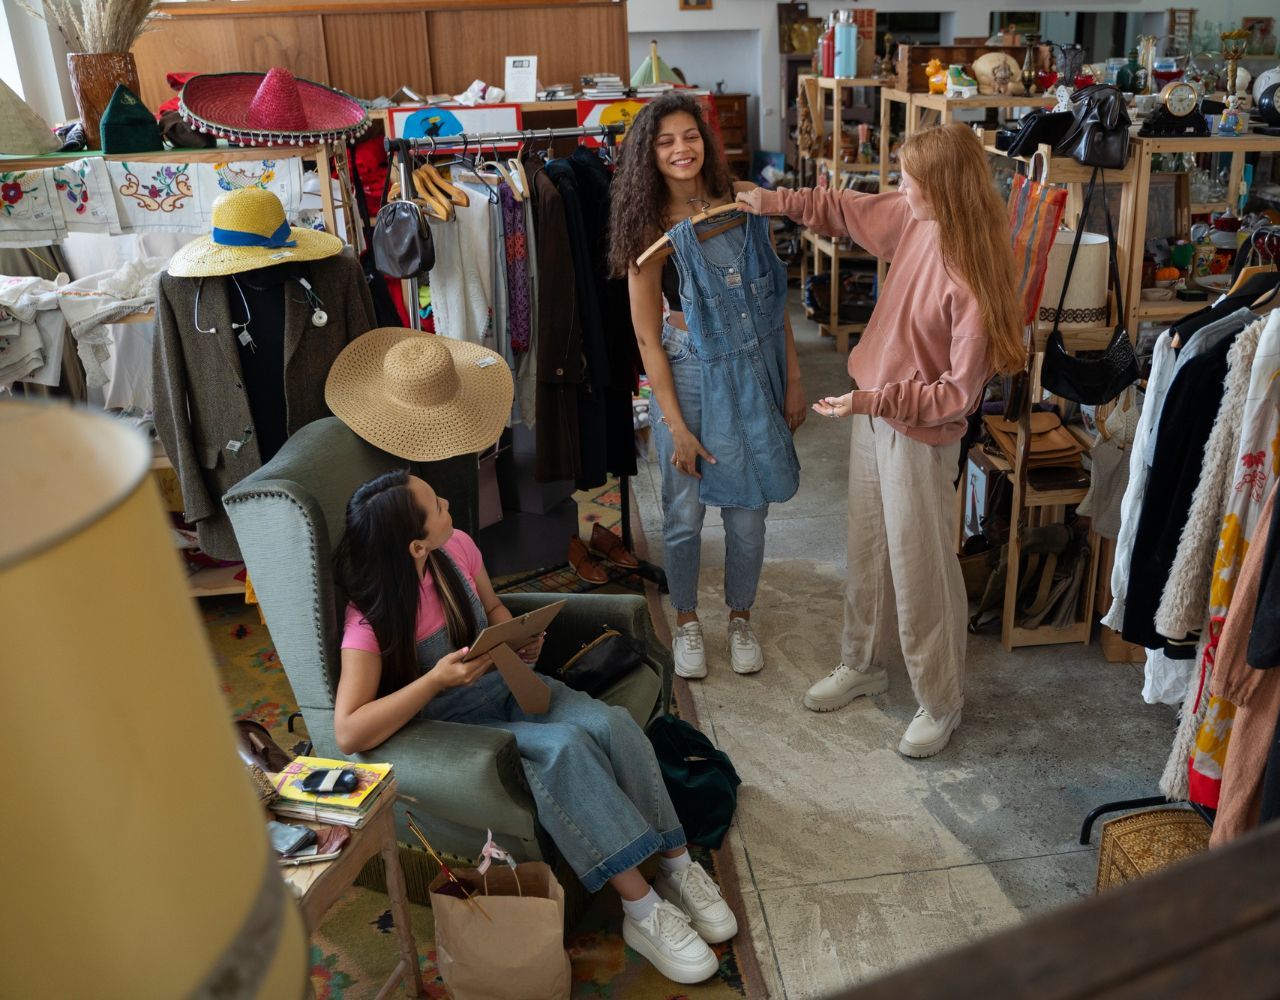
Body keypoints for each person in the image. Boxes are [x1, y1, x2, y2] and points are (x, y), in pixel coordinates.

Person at [332, 470, 736, 984]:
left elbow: (493, 607)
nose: (447, 501)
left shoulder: (455, 546)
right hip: (459, 725)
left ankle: (678, 867)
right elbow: (349, 731)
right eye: (436, 503)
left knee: (610, 724)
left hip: (511, 685)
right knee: (565, 749)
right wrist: (434, 681)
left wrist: (520, 640)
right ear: (415, 545)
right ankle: (642, 910)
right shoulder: (368, 621)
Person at [736, 123, 1026, 758]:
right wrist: (774, 200)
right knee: (867, 548)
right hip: (872, 414)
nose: (899, 187)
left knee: (922, 568)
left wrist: (875, 401)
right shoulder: (916, 218)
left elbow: (956, 395)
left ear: (942, 189)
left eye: (909, 178)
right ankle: (862, 663)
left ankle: (940, 699)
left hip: (917, 435)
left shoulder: (972, 279)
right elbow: (846, 208)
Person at [608, 93, 806, 680]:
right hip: (687, 375)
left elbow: (773, 301)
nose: (680, 149)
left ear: (705, 141)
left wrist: (792, 378)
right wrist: (676, 427)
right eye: (665, 141)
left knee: (749, 513)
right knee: (685, 513)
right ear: (649, 153)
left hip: (753, 370)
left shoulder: (742, 202)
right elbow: (648, 339)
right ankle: (688, 620)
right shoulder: (647, 230)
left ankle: (740, 617)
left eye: (689, 136)